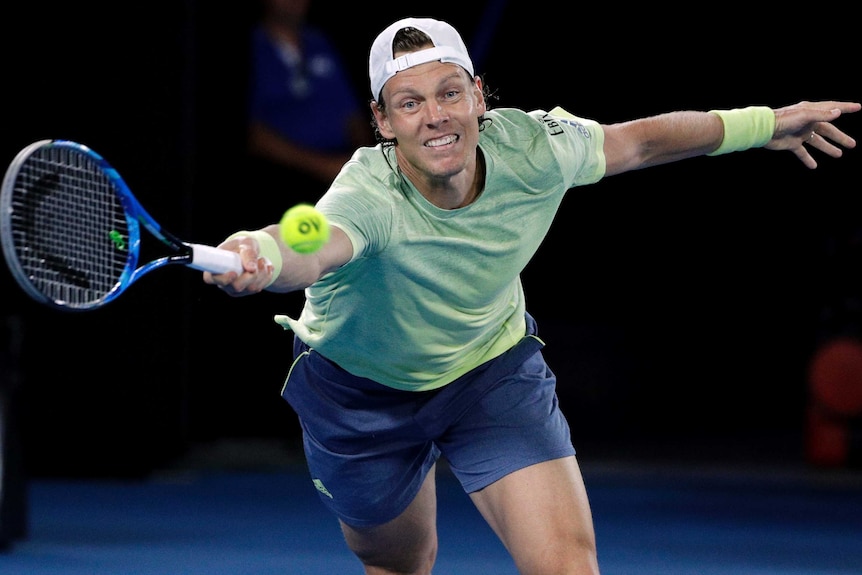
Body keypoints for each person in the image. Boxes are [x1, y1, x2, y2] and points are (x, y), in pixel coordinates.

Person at [204, 16, 859, 575]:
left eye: (449, 92)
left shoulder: (535, 148)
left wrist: (763, 123)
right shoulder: (364, 194)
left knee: (568, 567)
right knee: (401, 564)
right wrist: (260, 251)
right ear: (381, 121)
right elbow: (312, 249)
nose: (435, 116)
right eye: (409, 103)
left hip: (488, 371)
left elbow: (641, 141)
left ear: (479, 97)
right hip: (360, 393)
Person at [245, 0, 374, 210]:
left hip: (341, 172)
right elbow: (255, 136)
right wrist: (323, 166)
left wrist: (361, 161)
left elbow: (351, 114)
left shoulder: (320, 41)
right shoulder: (252, 47)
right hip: (282, 179)